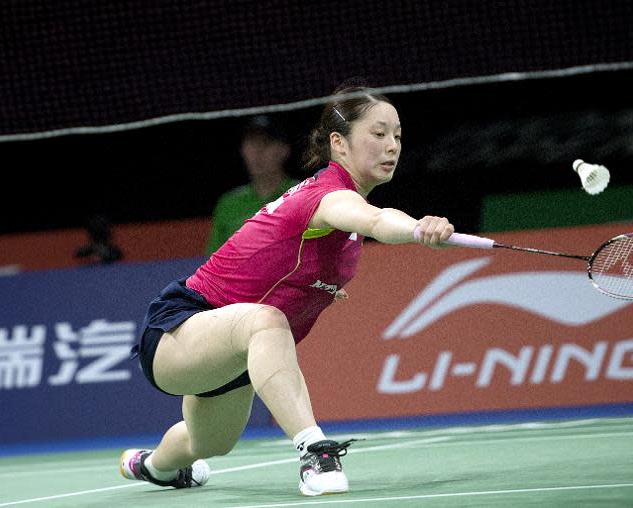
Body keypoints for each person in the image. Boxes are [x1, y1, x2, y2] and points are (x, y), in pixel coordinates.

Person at [119, 86, 455, 496]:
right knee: (266, 319)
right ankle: (314, 452)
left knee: (207, 443)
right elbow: (379, 220)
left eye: (398, 136)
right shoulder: (329, 195)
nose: (392, 146)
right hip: (182, 328)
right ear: (339, 143)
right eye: (379, 133)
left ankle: (152, 465)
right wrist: (420, 227)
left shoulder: (342, 223)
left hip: (232, 354)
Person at [205, 114, 298, 254]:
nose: (257, 151)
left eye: (266, 143)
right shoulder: (228, 204)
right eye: (251, 143)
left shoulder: (303, 195)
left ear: (284, 150)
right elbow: (213, 264)